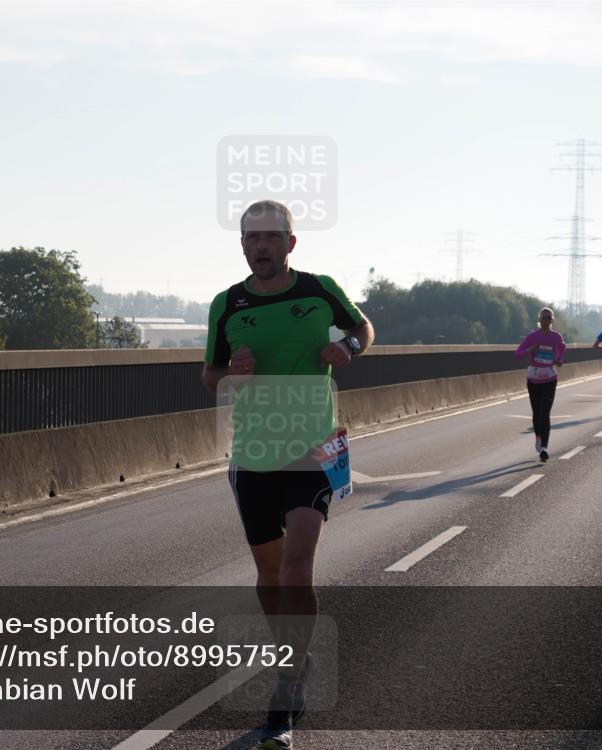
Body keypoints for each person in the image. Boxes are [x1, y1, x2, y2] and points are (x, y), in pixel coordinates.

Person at [202, 200, 374, 749]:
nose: (261, 246)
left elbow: (363, 328)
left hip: (312, 452)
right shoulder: (227, 305)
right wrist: (233, 372)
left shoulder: (319, 289)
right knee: (270, 575)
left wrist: (347, 346)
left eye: (272, 237)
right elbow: (210, 376)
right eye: (252, 238)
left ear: (291, 244)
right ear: (243, 245)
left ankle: (289, 678)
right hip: (253, 455)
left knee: (298, 569)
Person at [514, 307, 566, 462]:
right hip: (534, 377)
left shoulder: (556, 337)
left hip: (550, 377)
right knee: (537, 413)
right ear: (539, 320)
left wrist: (559, 360)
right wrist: (531, 349)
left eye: (548, 318)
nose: (546, 320)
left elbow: (563, 348)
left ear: (552, 320)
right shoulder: (532, 336)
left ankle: (544, 448)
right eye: (543, 318)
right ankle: (538, 436)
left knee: (545, 413)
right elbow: (517, 354)